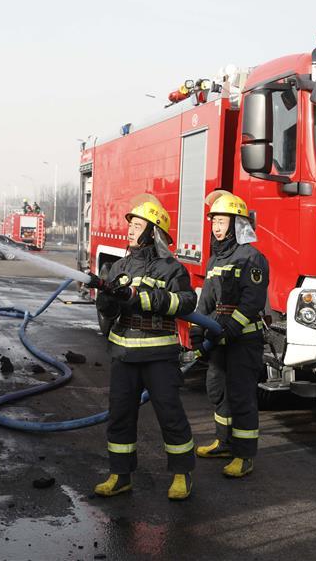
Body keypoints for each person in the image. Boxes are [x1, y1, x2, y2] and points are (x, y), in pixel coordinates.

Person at [93, 194, 198, 501]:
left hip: (158, 356)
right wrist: (108, 297)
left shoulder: (171, 269)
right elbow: (108, 313)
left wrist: (145, 298)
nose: (129, 230)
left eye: (137, 225)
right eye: (131, 224)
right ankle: (119, 475)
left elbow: (186, 302)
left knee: (170, 413)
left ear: (152, 231)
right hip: (123, 354)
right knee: (120, 415)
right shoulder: (119, 267)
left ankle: (181, 474)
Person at [190, 190, 269, 479]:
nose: (217, 227)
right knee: (217, 391)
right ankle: (223, 443)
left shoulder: (252, 258)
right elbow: (205, 302)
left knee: (241, 395)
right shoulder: (214, 261)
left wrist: (229, 328)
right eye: (215, 222)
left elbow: (252, 301)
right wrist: (198, 333)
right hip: (219, 338)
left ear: (238, 224)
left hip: (243, 340)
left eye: (223, 221)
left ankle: (244, 455)